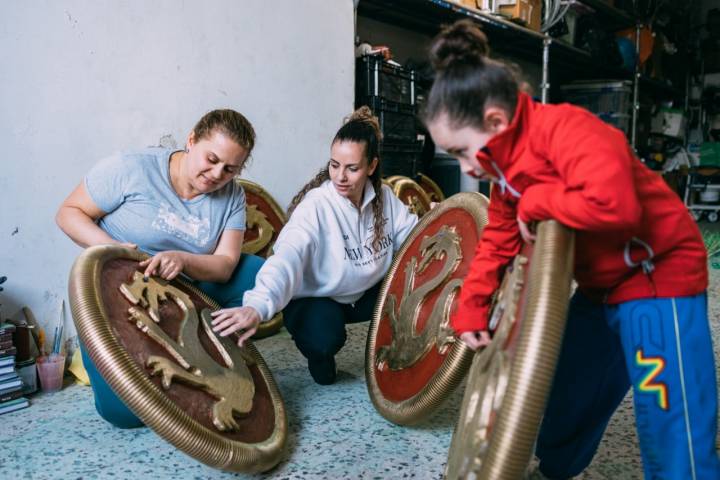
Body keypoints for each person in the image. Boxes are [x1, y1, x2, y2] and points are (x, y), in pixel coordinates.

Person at [423, 19, 720, 480]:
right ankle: (558, 470)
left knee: (668, 410)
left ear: (496, 122)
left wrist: (539, 201)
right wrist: (472, 308)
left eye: (462, 152)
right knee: (569, 388)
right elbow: (499, 239)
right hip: (601, 285)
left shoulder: (571, 132)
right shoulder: (502, 166)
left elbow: (615, 206)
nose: (465, 167)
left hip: (657, 275)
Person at [56, 109, 263, 428]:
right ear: (192, 139)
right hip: (122, 290)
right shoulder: (130, 167)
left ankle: (211, 356)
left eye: (229, 169)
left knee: (256, 273)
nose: (216, 174)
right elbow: (69, 213)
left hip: (185, 289)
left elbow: (224, 265)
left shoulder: (232, 194)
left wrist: (183, 259)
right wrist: (115, 250)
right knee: (124, 414)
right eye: (211, 159)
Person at [210, 107, 419, 385]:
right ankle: (319, 356)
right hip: (319, 297)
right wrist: (257, 306)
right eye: (335, 165)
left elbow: (415, 240)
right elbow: (287, 257)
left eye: (352, 168)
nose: (340, 177)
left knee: (412, 286)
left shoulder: (386, 199)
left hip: (364, 292)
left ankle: (398, 355)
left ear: (371, 166)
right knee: (323, 342)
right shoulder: (317, 205)